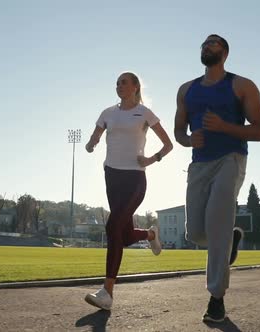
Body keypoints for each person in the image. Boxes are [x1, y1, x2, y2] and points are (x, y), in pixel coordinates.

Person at [174, 34, 260, 323]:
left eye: (213, 43)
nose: (206, 46)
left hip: (231, 159)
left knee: (217, 226)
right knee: (196, 234)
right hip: (199, 164)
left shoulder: (242, 86)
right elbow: (178, 132)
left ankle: (216, 299)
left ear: (225, 53)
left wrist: (224, 126)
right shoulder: (186, 90)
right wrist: (190, 140)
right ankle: (231, 240)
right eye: (204, 43)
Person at [84, 71, 173, 311]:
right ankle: (149, 235)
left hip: (135, 179)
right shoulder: (107, 113)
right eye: (117, 83)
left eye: (124, 82)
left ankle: (107, 292)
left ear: (135, 87)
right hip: (112, 177)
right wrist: (91, 144)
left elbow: (168, 144)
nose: (119, 86)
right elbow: (94, 137)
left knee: (112, 227)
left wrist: (151, 159)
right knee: (120, 236)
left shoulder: (144, 113)